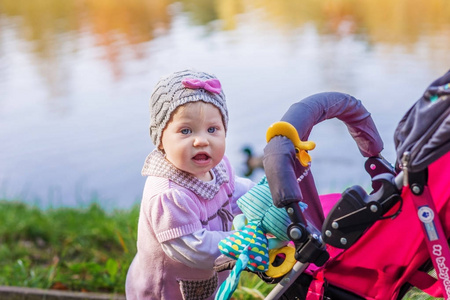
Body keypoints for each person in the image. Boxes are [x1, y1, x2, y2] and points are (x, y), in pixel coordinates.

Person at [125, 69, 255, 300]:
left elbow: (233, 192)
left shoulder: (217, 167)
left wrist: (262, 197)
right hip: (167, 289)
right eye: (186, 131)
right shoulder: (168, 195)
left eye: (212, 129)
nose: (201, 140)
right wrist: (244, 239)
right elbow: (195, 248)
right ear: (161, 140)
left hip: (206, 278)